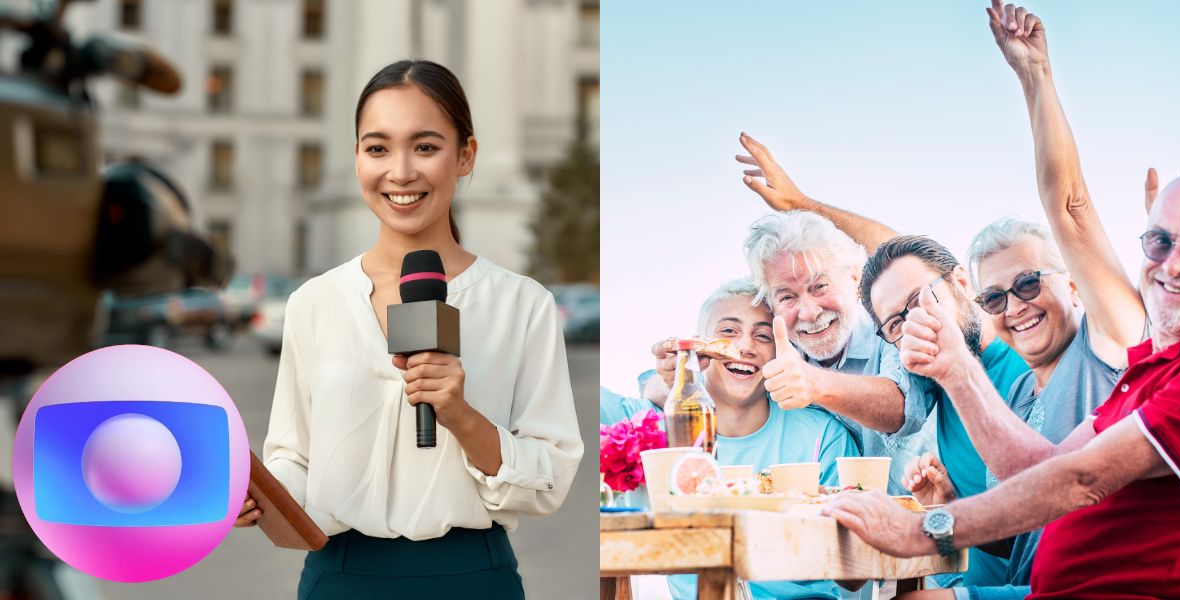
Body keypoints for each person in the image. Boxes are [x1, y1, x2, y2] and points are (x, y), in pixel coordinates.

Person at [234, 59, 584, 599]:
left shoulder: (523, 304)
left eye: (425, 147)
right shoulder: (314, 303)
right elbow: (295, 457)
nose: (400, 172)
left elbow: (550, 480)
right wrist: (262, 497)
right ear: (356, 158)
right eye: (377, 148)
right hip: (340, 576)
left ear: (465, 154)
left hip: (473, 577)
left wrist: (463, 417)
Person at [825, 168, 1180, 598]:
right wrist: (955, 371)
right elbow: (1043, 470)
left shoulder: (1108, 354)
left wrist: (918, 530)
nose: (1173, 266)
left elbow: (1079, 480)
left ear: (1077, 287)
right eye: (1160, 242)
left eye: (1028, 283)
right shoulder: (1148, 373)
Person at [604, 278, 860, 600]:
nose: (746, 346)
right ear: (700, 346)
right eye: (728, 331)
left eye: (763, 335)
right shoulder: (654, 427)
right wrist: (668, 379)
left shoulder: (822, 436)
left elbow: (854, 579)